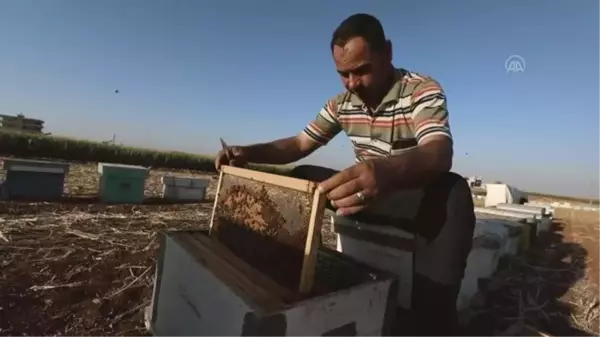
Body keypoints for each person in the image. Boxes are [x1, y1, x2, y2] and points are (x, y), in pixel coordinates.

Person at [214, 13, 475, 337]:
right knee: (303, 174)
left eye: (362, 70)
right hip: (363, 196)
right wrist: (248, 152)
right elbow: (298, 144)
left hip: (411, 198)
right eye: (344, 75)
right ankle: (286, 273)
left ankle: (433, 320)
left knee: (454, 192)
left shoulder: (420, 89)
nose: (353, 83)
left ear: (387, 53)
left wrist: (387, 171)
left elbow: (438, 152)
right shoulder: (341, 105)